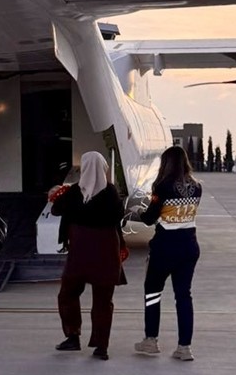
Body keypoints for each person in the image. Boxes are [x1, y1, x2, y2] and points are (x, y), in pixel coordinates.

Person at [51, 151, 126, 359]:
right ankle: (101, 347)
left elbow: (56, 209)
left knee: (67, 294)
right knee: (103, 301)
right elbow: (119, 217)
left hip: (80, 253)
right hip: (106, 253)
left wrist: (58, 194)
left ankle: (72, 336)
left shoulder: (74, 192)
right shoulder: (111, 193)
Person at [132, 144, 203, 361]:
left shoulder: (162, 187)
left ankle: (151, 340)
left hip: (165, 247)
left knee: (153, 292)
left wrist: (137, 211)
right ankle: (184, 347)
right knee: (183, 296)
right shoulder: (197, 187)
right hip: (189, 246)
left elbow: (150, 218)